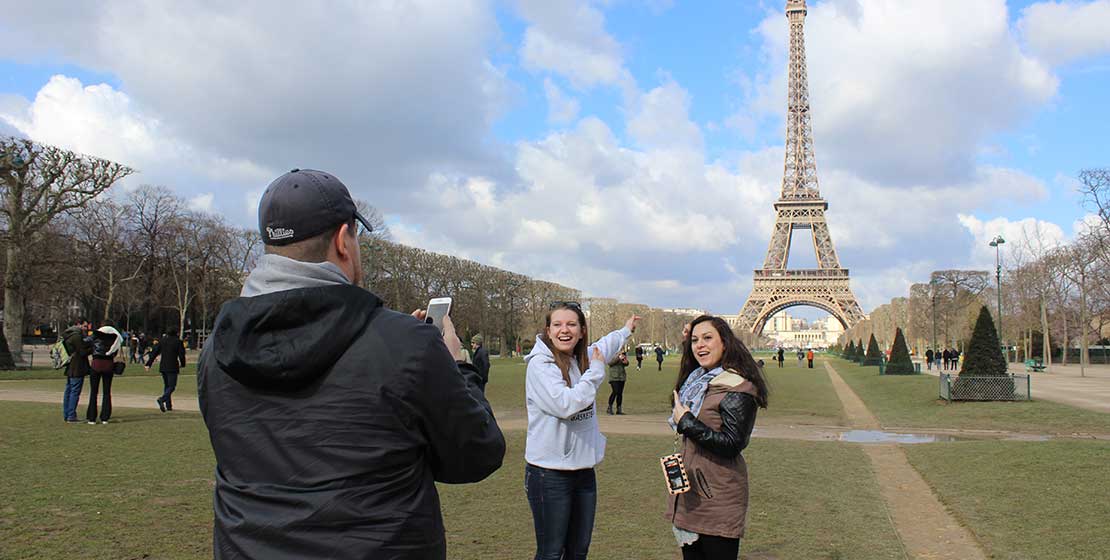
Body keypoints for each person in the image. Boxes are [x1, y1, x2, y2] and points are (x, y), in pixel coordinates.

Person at [198, 168, 505, 559]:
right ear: (344, 240)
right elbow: (475, 455)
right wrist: (457, 365)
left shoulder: (216, 350)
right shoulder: (404, 343)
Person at [524, 303, 639, 560]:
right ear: (548, 331)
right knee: (551, 553)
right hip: (549, 475)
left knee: (578, 552)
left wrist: (626, 330)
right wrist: (597, 372)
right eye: (558, 325)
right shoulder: (540, 366)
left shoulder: (582, 358)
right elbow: (566, 404)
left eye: (571, 324)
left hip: (583, 473)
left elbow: (607, 344)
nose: (564, 330)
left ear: (581, 330)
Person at [667, 315, 769, 560]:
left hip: (718, 496)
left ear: (725, 342)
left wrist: (688, 423)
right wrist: (686, 345)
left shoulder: (737, 387)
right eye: (694, 340)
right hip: (691, 494)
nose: (699, 345)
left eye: (707, 338)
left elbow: (733, 444)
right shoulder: (700, 381)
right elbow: (690, 367)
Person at [86, 325, 125, 424]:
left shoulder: (95, 336)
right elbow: (115, 352)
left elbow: (87, 343)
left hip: (96, 363)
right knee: (107, 392)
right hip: (108, 364)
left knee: (93, 392)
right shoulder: (114, 338)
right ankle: (105, 417)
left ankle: (92, 417)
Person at [146, 328, 185, 412]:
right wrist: (183, 364)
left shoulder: (163, 341)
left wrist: (149, 363)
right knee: (172, 386)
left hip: (163, 366)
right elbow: (181, 354)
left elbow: (155, 352)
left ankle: (168, 406)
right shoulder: (178, 342)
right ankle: (162, 399)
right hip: (173, 366)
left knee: (167, 386)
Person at [60, 324, 92, 423]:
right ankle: (71, 415)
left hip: (70, 367)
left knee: (68, 391)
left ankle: (67, 414)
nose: (86, 328)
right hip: (77, 367)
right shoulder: (76, 336)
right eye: (84, 326)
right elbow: (82, 352)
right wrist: (92, 348)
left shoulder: (68, 336)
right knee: (74, 391)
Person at [606, 350, 629, 415]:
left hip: (621, 376)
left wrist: (625, 361)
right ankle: (609, 407)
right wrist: (618, 357)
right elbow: (610, 363)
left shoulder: (622, 354)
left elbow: (626, 363)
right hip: (614, 377)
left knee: (620, 393)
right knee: (615, 391)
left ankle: (619, 409)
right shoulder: (611, 353)